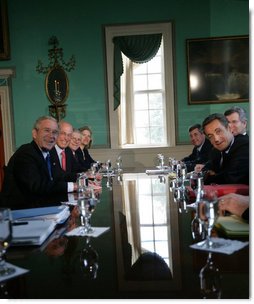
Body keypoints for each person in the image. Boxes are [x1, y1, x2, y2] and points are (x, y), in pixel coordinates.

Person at [1, 116, 77, 209]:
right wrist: (73, 186)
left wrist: (83, 179)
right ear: (35, 133)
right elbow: (36, 186)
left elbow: (60, 175)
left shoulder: (47, 154)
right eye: (46, 130)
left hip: (41, 207)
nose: (51, 136)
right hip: (20, 213)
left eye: (55, 132)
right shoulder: (26, 153)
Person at [195, 113, 249, 185]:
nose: (216, 139)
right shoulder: (215, 150)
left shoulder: (245, 145)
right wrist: (211, 174)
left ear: (229, 128)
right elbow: (206, 169)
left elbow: (229, 178)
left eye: (219, 131)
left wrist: (211, 176)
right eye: (211, 136)